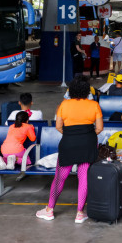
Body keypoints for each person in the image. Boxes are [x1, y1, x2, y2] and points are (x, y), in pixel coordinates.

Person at [36, 75, 103, 223]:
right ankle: (80, 213)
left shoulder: (64, 105)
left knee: (60, 177)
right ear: (87, 91)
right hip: (87, 143)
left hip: (68, 143)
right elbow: (99, 128)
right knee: (83, 177)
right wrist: (86, 134)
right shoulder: (94, 105)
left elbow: (58, 126)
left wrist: (71, 134)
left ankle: (49, 210)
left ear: (71, 90)